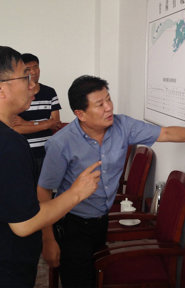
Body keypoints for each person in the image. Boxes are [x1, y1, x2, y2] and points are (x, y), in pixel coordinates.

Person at [37, 75, 185, 288]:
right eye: (100, 104)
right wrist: (48, 239)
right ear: (80, 114)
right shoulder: (61, 144)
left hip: (101, 220)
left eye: (108, 99)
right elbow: (44, 190)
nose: (109, 107)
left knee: (96, 276)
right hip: (71, 225)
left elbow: (165, 133)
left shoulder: (122, 126)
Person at [0, 46, 101, 288]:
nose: (33, 84)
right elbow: (24, 224)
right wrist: (78, 191)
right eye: (25, 76)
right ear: (2, 89)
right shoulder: (9, 144)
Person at [11, 53, 62, 177]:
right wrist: (46, 124)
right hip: (23, 152)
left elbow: (56, 124)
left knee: (45, 190)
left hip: (47, 152)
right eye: (28, 69)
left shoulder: (49, 92)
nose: (33, 72)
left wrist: (26, 123)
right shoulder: (16, 95)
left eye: (36, 67)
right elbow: (15, 129)